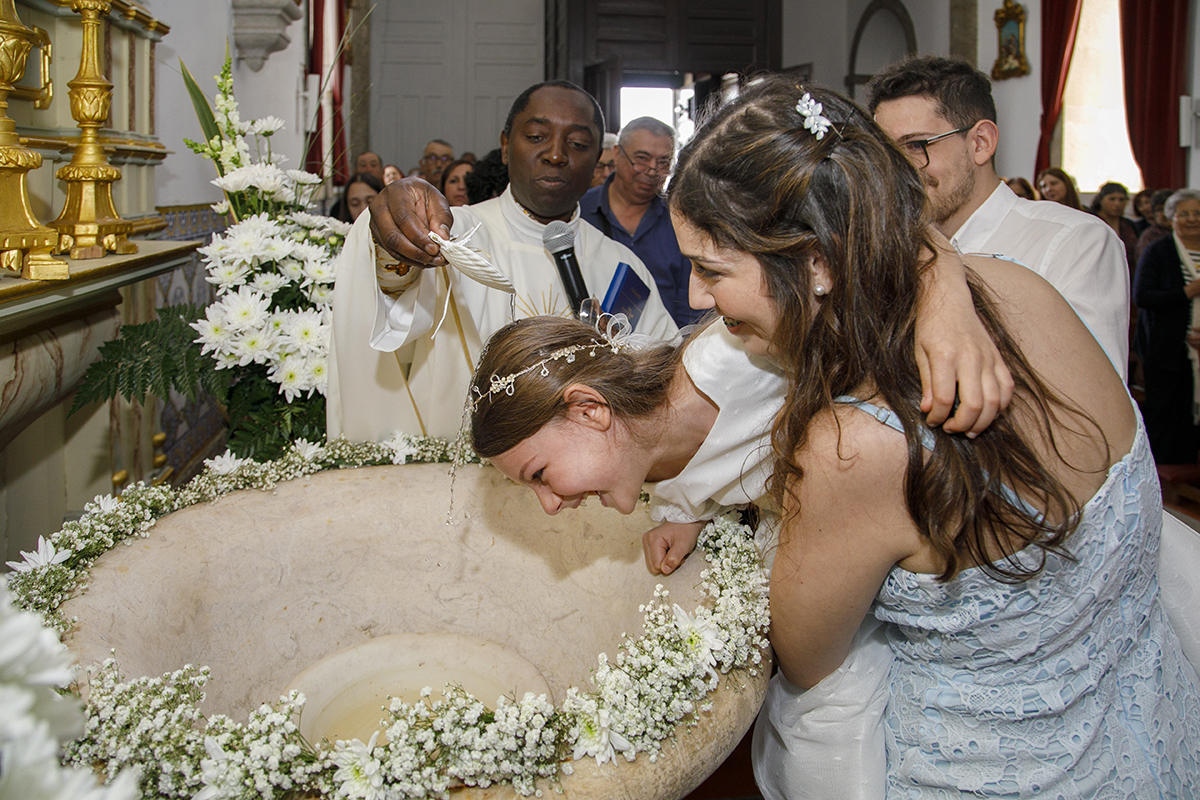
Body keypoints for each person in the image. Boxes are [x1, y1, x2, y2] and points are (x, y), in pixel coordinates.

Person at [326, 81, 678, 443]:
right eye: (538, 136)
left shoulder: (623, 265)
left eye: (577, 144)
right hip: (456, 472)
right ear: (507, 146)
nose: (556, 155)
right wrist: (390, 229)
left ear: (597, 164)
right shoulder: (449, 234)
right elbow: (390, 299)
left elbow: (662, 381)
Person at [868, 56, 1130, 378]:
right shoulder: (887, 248)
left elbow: (1091, 405)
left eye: (916, 145)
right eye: (886, 153)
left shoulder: (1074, 242)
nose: (898, 170)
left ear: (981, 143)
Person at [581, 117, 702, 327]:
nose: (652, 170)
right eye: (642, 159)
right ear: (618, 154)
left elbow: (691, 306)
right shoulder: (580, 211)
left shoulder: (682, 221)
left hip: (664, 348)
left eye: (664, 162)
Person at [1134, 188, 1200, 465]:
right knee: (1164, 412)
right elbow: (1143, 296)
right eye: (1184, 214)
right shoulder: (1159, 251)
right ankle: (1159, 475)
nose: (1192, 219)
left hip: (1198, 347)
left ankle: (1186, 470)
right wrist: (1186, 292)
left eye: (1197, 213)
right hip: (1165, 348)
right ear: (1171, 217)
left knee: (1189, 415)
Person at [1089, 181, 1138, 279]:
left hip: (1128, 276)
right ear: (1101, 200)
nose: (1117, 204)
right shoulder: (1092, 222)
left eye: (1121, 200)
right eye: (1112, 199)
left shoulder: (1130, 226)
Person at [1137, 188, 1175, 262]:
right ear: (1153, 213)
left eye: (1169, 209)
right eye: (1160, 209)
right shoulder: (1150, 236)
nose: (1165, 214)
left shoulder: (1188, 233)